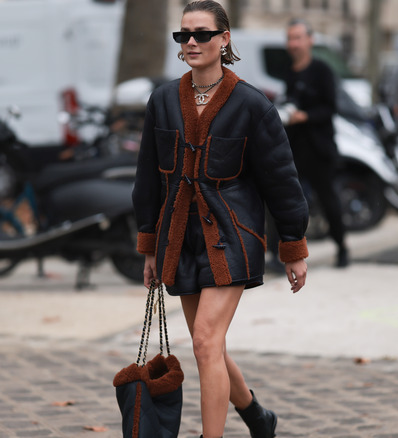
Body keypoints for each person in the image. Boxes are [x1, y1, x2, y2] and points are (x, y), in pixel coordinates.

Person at [131, 2, 309, 437]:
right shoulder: (162, 101)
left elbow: (281, 180)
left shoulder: (252, 104)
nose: (191, 42)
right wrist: (149, 245)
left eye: (202, 34)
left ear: (224, 39)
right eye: (184, 34)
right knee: (207, 344)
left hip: (233, 234)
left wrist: (293, 246)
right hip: (179, 237)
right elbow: (148, 179)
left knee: (206, 340)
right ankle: (257, 417)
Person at [282, 18, 349, 267]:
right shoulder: (289, 72)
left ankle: (341, 248)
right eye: (290, 38)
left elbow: (330, 108)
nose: (294, 43)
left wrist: (306, 116)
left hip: (320, 149)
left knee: (328, 199)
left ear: (310, 40)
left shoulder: (322, 70)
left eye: (298, 37)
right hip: (294, 149)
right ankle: (286, 254)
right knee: (288, 202)